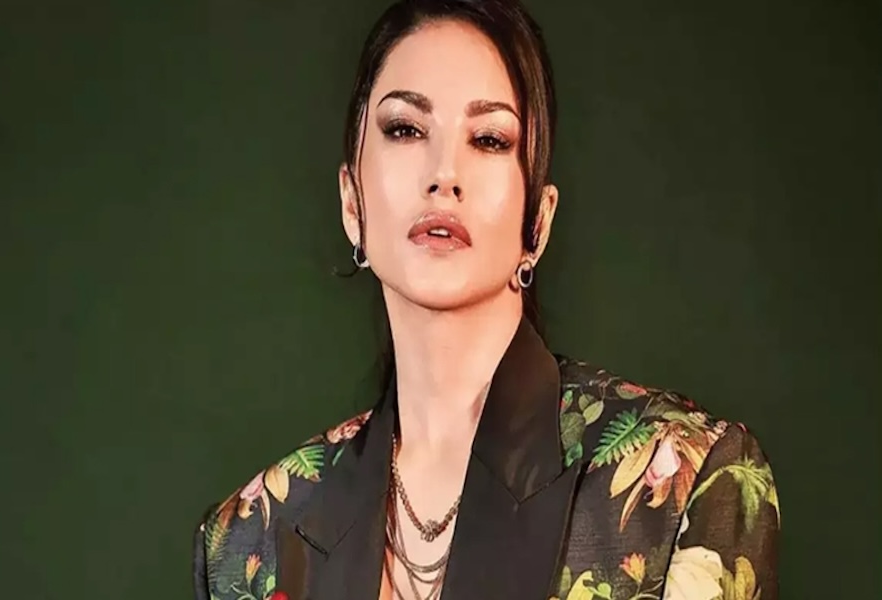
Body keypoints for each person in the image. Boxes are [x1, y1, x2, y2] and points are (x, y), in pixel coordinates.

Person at [192, 0, 780, 598]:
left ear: (539, 223)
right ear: (351, 203)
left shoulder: (686, 481)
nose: (444, 174)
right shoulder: (250, 537)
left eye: (489, 139)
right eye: (405, 129)